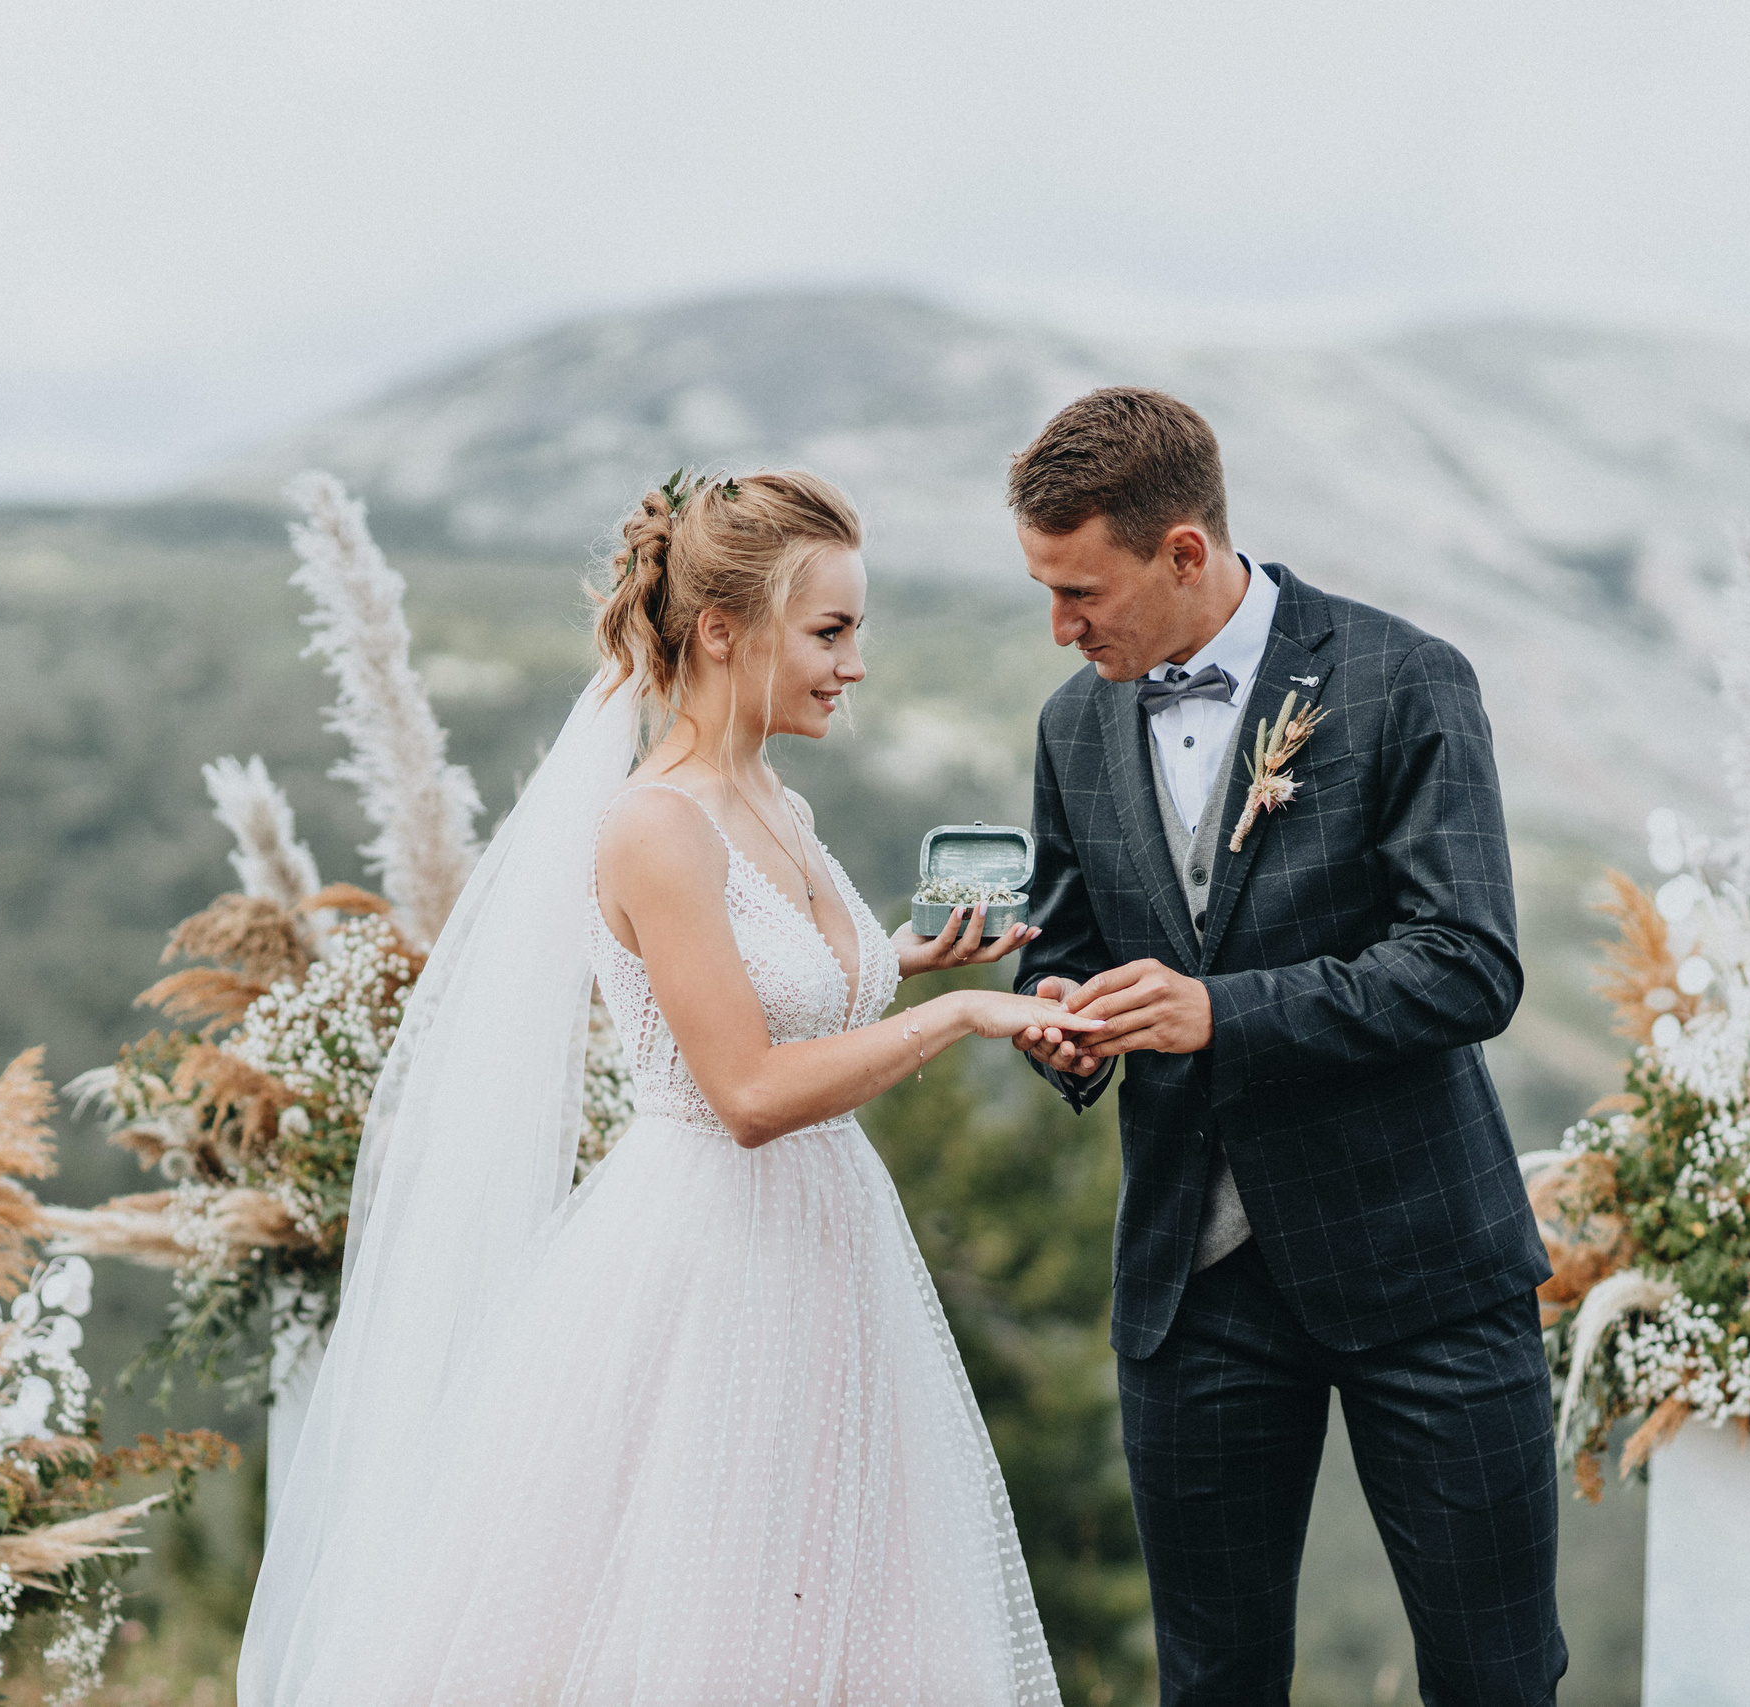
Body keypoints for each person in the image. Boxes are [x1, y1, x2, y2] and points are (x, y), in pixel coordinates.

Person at [238, 469, 1089, 1705]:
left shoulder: (773, 800)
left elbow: (762, 986)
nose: (854, 665)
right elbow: (742, 1091)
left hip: (829, 1253)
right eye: (831, 632)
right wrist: (959, 1015)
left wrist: (898, 963)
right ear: (722, 630)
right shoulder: (656, 825)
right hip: (713, 1271)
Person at [1009, 388, 1569, 1705]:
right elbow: (1060, 941)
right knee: (1213, 1680)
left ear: (1186, 551)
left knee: (1495, 1674)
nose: (1061, 625)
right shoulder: (1070, 725)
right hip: (1191, 1284)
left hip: (1427, 1272)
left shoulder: (1404, 679)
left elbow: (1469, 962)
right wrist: (1064, 1023)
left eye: (1083, 590)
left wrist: (1225, 1011)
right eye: (1045, 590)